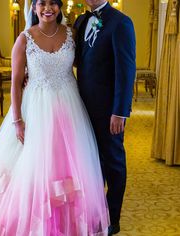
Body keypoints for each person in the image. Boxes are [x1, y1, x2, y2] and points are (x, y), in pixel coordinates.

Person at [0, 0, 110, 235]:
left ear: (60, 7)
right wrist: (17, 121)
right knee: (35, 165)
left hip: (69, 108)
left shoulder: (71, 33)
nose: (48, 8)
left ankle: (69, 222)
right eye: (42, 3)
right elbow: (15, 84)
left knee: (68, 163)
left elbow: (83, 63)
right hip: (36, 108)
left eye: (53, 3)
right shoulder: (24, 39)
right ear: (34, 8)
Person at [74, 1, 136, 235]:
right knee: (90, 163)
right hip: (80, 107)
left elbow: (126, 70)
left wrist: (120, 111)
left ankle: (113, 218)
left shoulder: (121, 23)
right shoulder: (80, 21)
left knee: (114, 163)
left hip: (109, 110)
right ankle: (94, 213)